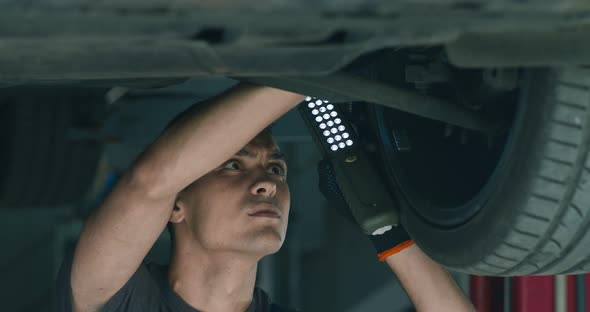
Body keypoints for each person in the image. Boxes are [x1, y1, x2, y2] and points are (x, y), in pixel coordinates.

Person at [55, 83, 475, 312]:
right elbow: (150, 182)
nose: (267, 184)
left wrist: (383, 225)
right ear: (176, 205)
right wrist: (319, 73)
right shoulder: (116, 301)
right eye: (234, 165)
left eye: (276, 168)